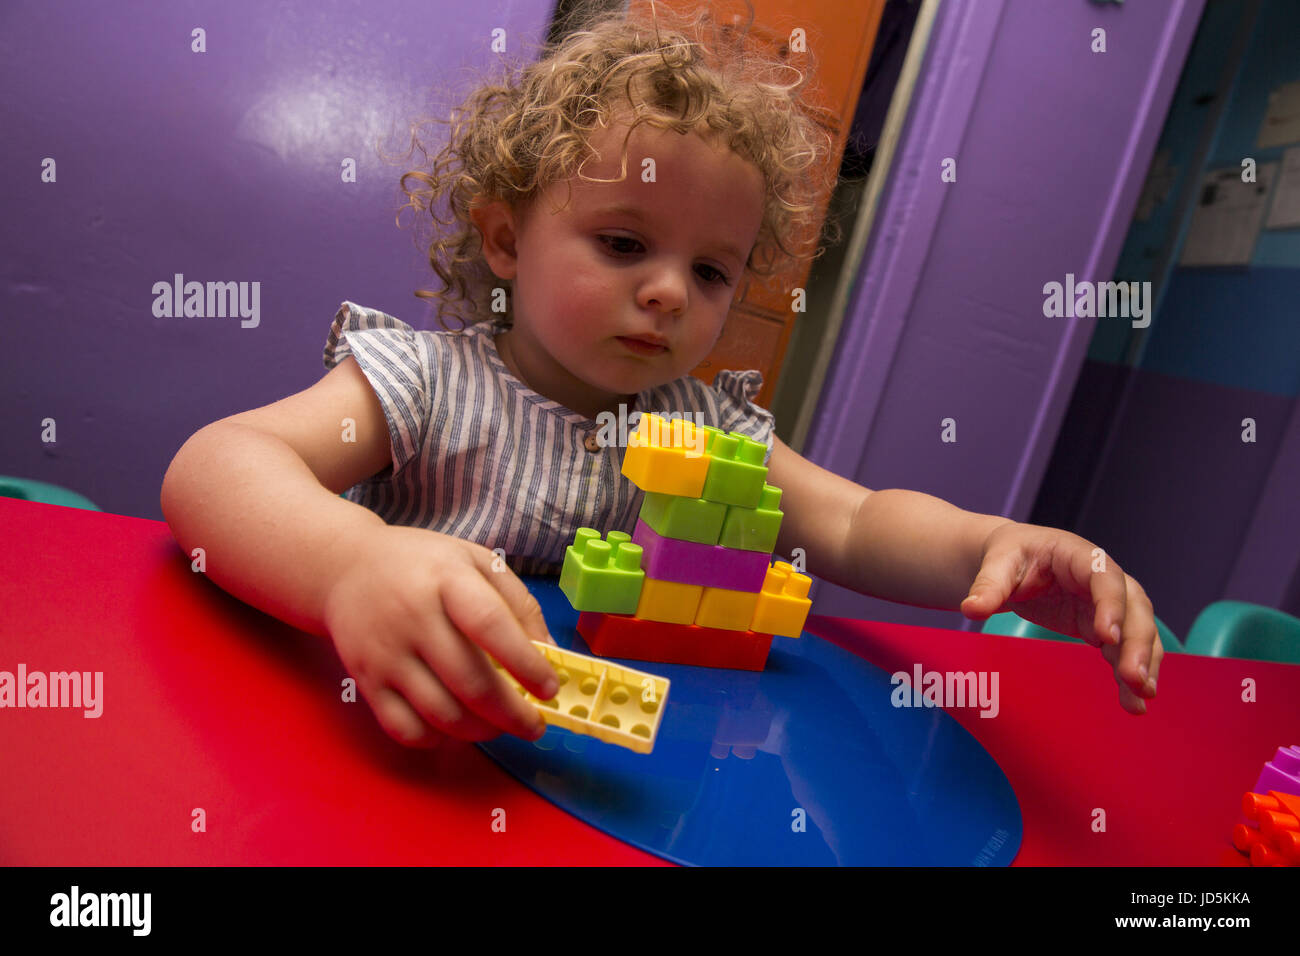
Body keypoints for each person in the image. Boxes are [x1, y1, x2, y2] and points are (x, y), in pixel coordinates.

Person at [160, 4, 1163, 750]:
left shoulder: (707, 427)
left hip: (612, 788)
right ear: (506, 237)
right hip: (405, 748)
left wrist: (998, 542)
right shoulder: (424, 384)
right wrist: (348, 567)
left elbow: (856, 525)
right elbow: (219, 463)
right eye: (624, 241)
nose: (670, 292)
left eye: (711, 269)